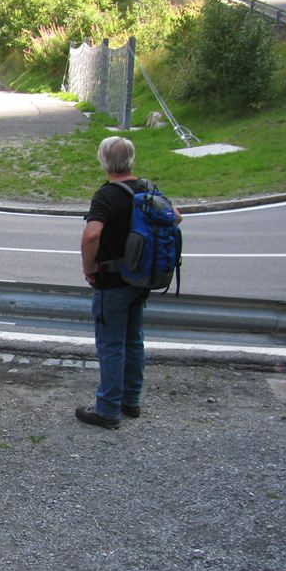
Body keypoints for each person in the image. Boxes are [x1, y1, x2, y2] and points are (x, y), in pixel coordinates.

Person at [77, 136, 182, 430]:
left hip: (111, 281)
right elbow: (176, 217)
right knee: (134, 341)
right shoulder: (147, 188)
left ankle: (108, 410)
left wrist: (89, 267)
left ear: (103, 161)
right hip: (140, 279)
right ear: (131, 160)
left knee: (111, 345)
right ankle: (131, 401)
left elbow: (91, 235)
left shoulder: (106, 195)